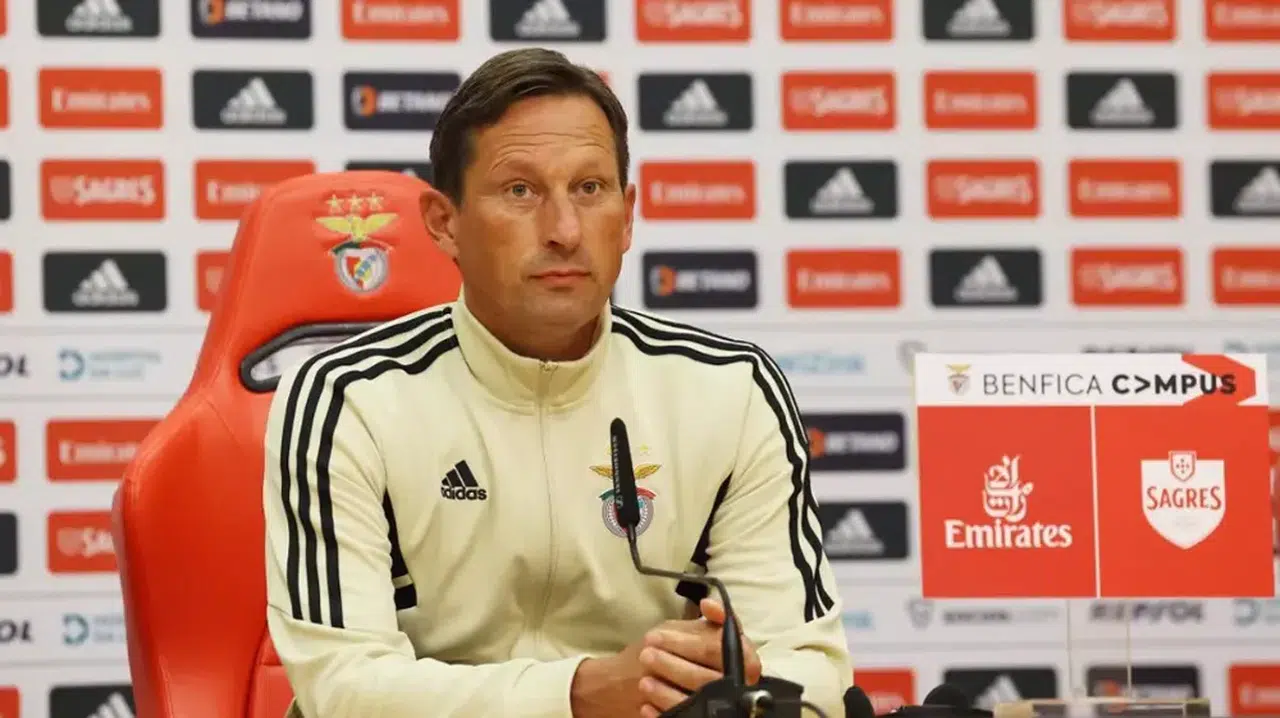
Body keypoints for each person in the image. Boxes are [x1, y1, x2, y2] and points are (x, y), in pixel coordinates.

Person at [263, 47, 851, 718]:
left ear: (628, 215)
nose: (565, 231)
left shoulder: (731, 391)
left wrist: (717, 687)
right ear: (444, 222)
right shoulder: (347, 400)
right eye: (521, 191)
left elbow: (813, 672)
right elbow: (343, 689)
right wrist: (579, 694)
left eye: (590, 189)